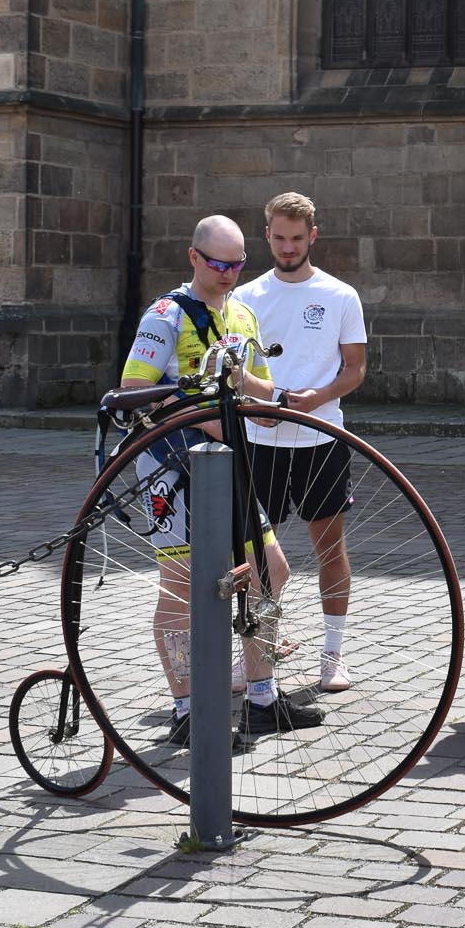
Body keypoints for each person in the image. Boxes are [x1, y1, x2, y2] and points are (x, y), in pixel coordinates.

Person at [121, 214, 322, 746]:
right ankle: (186, 709)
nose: (228, 274)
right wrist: (198, 412)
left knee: (269, 570)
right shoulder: (165, 316)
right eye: (217, 264)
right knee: (184, 587)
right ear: (193, 258)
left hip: (230, 465)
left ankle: (261, 700)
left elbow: (254, 383)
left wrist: (267, 399)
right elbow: (133, 390)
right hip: (170, 467)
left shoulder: (241, 313)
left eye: (236, 264)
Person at [232, 191, 367, 694]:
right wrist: (255, 407)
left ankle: (332, 655)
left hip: (322, 439)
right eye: (279, 238)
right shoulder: (244, 297)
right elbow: (235, 369)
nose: (288, 247)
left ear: (313, 235)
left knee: (329, 549)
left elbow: (355, 370)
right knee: (249, 555)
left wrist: (317, 398)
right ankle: (256, 651)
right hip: (258, 440)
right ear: (266, 235)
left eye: (297, 238)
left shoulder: (340, 296)